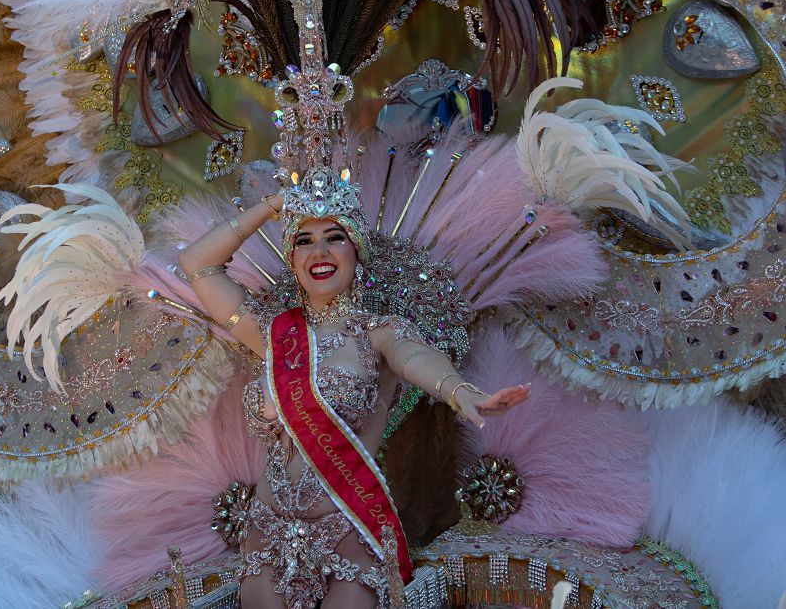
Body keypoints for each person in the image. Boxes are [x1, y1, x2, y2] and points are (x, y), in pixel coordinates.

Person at [178, 167, 531, 608]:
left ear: (357, 251)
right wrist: (273, 207)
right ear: (291, 258)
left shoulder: (378, 332)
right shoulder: (273, 333)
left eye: (334, 236)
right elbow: (197, 264)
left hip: (349, 525)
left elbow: (414, 357)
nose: (319, 251)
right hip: (267, 530)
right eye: (303, 240)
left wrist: (460, 391)